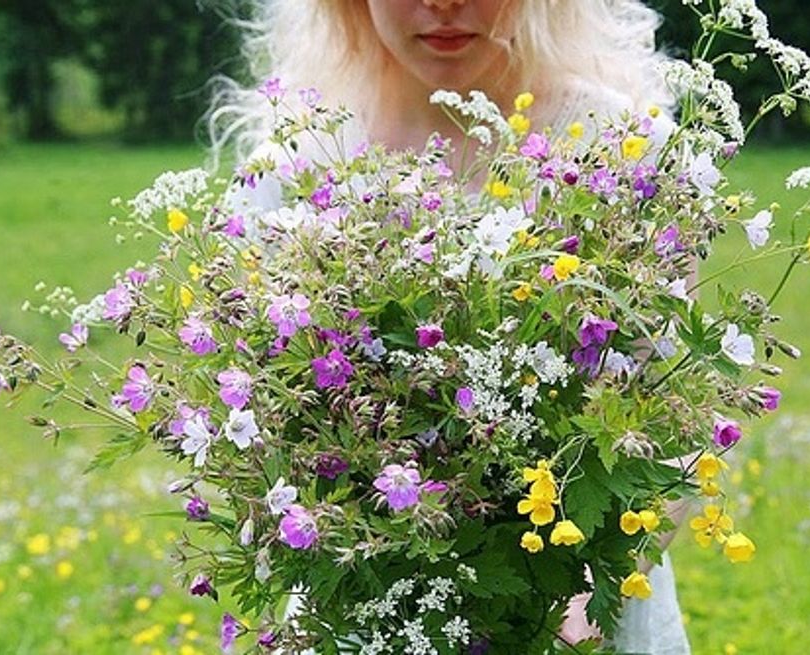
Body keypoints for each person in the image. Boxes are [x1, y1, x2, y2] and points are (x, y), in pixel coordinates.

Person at [209, 1, 693, 652]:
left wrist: (586, 589)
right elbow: (253, 425)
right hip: (361, 612)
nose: (442, 3)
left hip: (578, 614)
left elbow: (676, 417)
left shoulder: (621, 146)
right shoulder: (295, 168)